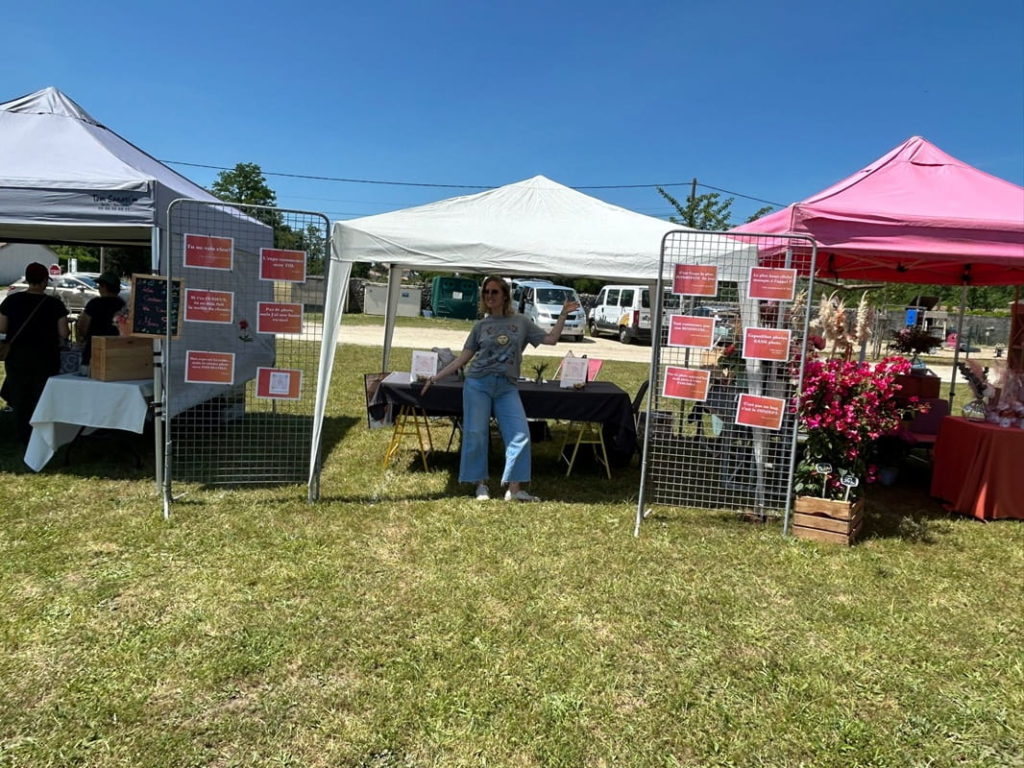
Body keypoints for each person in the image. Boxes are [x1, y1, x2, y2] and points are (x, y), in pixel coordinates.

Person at [422, 276, 580, 502]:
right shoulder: (480, 326)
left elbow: (551, 339)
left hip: (507, 387)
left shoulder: (521, 322)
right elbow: (463, 358)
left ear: (505, 295)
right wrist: (436, 377)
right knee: (476, 434)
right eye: (486, 292)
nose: (489, 296)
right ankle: (480, 485)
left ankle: (514, 490)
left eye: (494, 291)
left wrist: (563, 314)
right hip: (478, 384)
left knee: (520, 434)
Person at [0, 262, 70, 444]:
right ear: (45, 281)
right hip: (46, 357)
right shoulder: (54, 304)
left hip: (17, 356)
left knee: (20, 396)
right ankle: (41, 435)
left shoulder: (11, 301)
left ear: (27, 280)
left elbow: (2, 328)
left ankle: (22, 434)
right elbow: (64, 332)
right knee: (41, 396)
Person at [76, 271, 125, 366]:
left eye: (99, 285)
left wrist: (82, 338)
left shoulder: (94, 304)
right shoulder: (123, 305)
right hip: (118, 351)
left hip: (94, 351)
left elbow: (83, 327)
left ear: (104, 287)